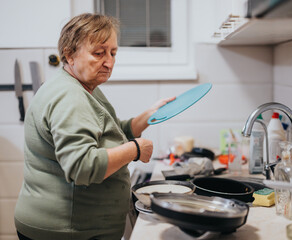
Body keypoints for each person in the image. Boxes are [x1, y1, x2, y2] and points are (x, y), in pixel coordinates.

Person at [14, 13, 174, 240]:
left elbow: (105, 132)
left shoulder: (80, 84)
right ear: (69, 55)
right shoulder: (70, 97)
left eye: (113, 53)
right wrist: (135, 150)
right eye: (98, 53)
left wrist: (147, 117)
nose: (109, 62)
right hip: (65, 230)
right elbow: (82, 167)